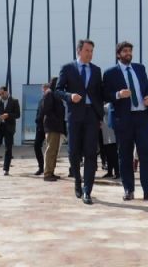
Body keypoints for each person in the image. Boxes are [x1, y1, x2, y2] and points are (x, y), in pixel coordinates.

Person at [103, 41, 148, 201]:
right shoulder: (110, 73)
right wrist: (118, 94)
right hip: (123, 119)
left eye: (130, 51)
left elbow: (146, 88)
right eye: (125, 51)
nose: (128, 53)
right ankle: (128, 190)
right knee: (125, 155)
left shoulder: (140, 68)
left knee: (146, 154)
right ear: (118, 54)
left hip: (142, 117)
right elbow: (104, 95)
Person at [55, 39, 104, 205]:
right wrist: (70, 96)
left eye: (92, 51)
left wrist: (100, 115)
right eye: (87, 50)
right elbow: (58, 90)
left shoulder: (96, 70)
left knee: (91, 153)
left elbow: (99, 93)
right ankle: (77, 180)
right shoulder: (67, 68)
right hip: (74, 115)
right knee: (73, 152)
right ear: (79, 51)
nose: (90, 54)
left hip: (92, 115)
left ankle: (87, 190)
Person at [0, 86, 21, 176]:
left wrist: (8, 115)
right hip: (0, 126)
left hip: (9, 127)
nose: (1, 95)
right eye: (0, 94)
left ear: (6, 92)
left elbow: (18, 115)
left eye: (2, 93)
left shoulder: (14, 101)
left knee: (8, 148)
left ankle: (6, 169)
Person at [41, 76, 65, 181]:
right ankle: (47, 174)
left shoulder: (55, 94)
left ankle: (51, 172)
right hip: (52, 126)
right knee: (51, 150)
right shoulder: (49, 93)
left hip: (57, 126)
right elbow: (46, 110)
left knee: (54, 150)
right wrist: (56, 120)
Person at [100, 103, 119, 179]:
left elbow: (105, 109)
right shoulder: (104, 104)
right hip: (105, 131)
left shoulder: (110, 104)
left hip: (111, 131)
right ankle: (110, 172)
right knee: (108, 153)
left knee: (113, 153)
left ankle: (117, 172)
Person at [33, 83, 47, 175]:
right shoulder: (41, 100)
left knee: (51, 149)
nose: (43, 91)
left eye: (44, 89)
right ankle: (41, 167)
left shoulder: (53, 98)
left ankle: (49, 169)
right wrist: (37, 120)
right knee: (36, 146)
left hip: (50, 127)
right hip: (40, 128)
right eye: (43, 89)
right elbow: (39, 112)